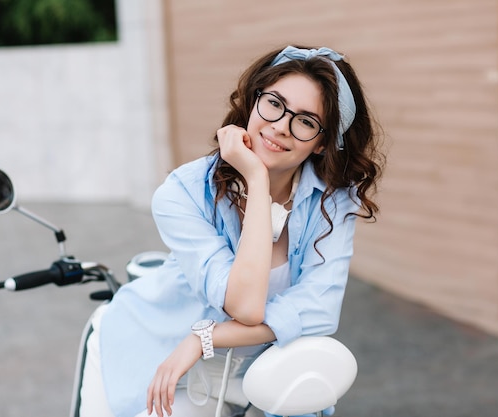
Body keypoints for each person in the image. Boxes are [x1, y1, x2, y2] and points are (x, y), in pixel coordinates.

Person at [77, 44, 383, 417]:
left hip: (260, 377)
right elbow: (245, 305)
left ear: (322, 142)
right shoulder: (182, 192)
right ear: (254, 101)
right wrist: (257, 179)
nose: (280, 127)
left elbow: (321, 311)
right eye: (274, 103)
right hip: (161, 359)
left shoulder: (333, 202)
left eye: (305, 121)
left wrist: (207, 337)